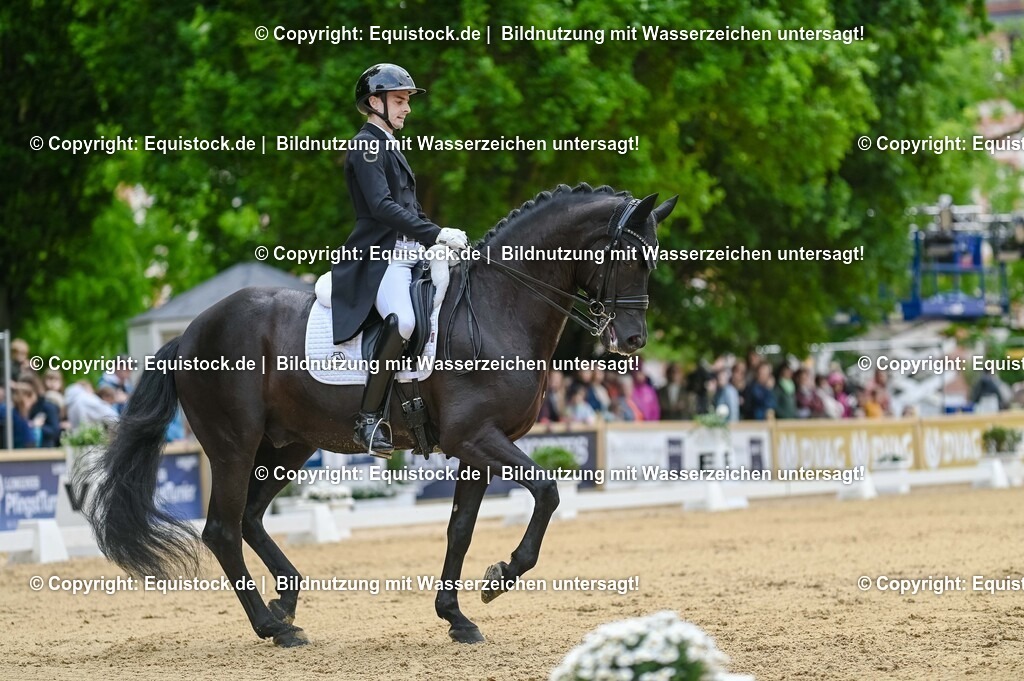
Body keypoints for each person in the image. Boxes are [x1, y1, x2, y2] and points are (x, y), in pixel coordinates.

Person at [330, 64, 469, 454]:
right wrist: (434, 233)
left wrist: (442, 239)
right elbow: (381, 206)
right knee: (404, 320)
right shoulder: (367, 145)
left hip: (412, 255)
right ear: (375, 102)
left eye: (407, 101)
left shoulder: (390, 145)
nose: (407, 108)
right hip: (381, 257)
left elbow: (412, 209)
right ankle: (368, 419)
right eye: (400, 100)